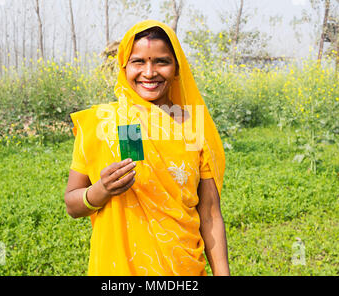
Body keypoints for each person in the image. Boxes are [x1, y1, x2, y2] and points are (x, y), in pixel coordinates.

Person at [65, 20, 229, 276]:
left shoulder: (192, 124)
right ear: (124, 66)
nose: (149, 72)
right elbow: (72, 204)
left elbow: (209, 215)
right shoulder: (108, 123)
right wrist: (100, 190)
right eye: (138, 62)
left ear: (177, 69)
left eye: (161, 61)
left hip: (181, 269)